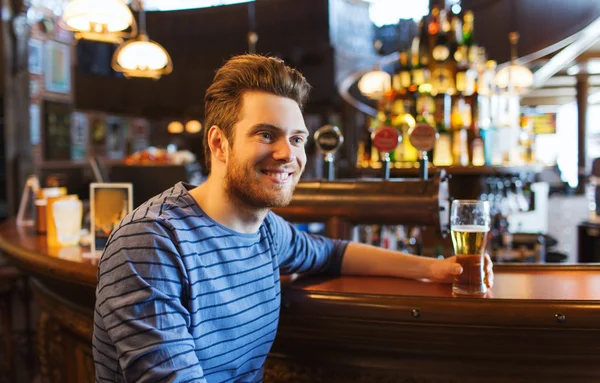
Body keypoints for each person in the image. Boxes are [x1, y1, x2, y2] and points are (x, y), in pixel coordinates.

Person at [93, 54, 494, 383]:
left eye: (297, 138)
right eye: (266, 135)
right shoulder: (151, 241)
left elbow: (333, 253)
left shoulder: (266, 232)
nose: (289, 155)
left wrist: (435, 269)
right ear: (219, 143)